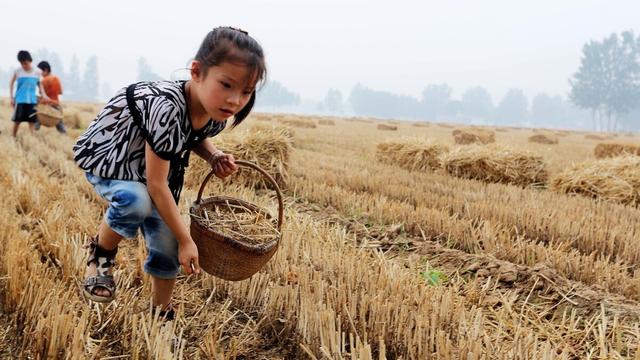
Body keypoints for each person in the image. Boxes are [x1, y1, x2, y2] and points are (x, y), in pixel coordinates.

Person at [73, 26, 266, 319]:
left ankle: (160, 312)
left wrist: (213, 156)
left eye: (246, 91)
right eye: (226, 84)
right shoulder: (166, 108)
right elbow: (156, 184)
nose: (235, 100)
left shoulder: (215, 112)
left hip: (153, 167)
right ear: (197, 71)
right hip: (114, 157)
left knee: (168, 241)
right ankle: (101, 255)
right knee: (135, 200)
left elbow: (194, 134)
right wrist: (189, 240)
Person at [9, 50, 50, 137]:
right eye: (22, 63)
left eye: (25, 63)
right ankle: (13, 136)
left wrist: (44, 95)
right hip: (20, 99)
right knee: (17, 120)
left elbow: (40, 85)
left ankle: (32, 138)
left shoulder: (37, 71)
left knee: (31, 121)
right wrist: (11, 98)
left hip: (32, 100)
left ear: (30, 61)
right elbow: (11, 83)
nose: (24, 66)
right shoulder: (18, 71)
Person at [36, 61, 67, 134]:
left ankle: (34, 133)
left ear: (45, 70)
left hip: (45, 106)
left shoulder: (43, 81)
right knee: (60, 124)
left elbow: (42, 94)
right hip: (56, 105)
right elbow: (60, 92)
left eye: (40, 72)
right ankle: (64, 136)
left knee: (36, 119)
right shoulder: (56, 78)